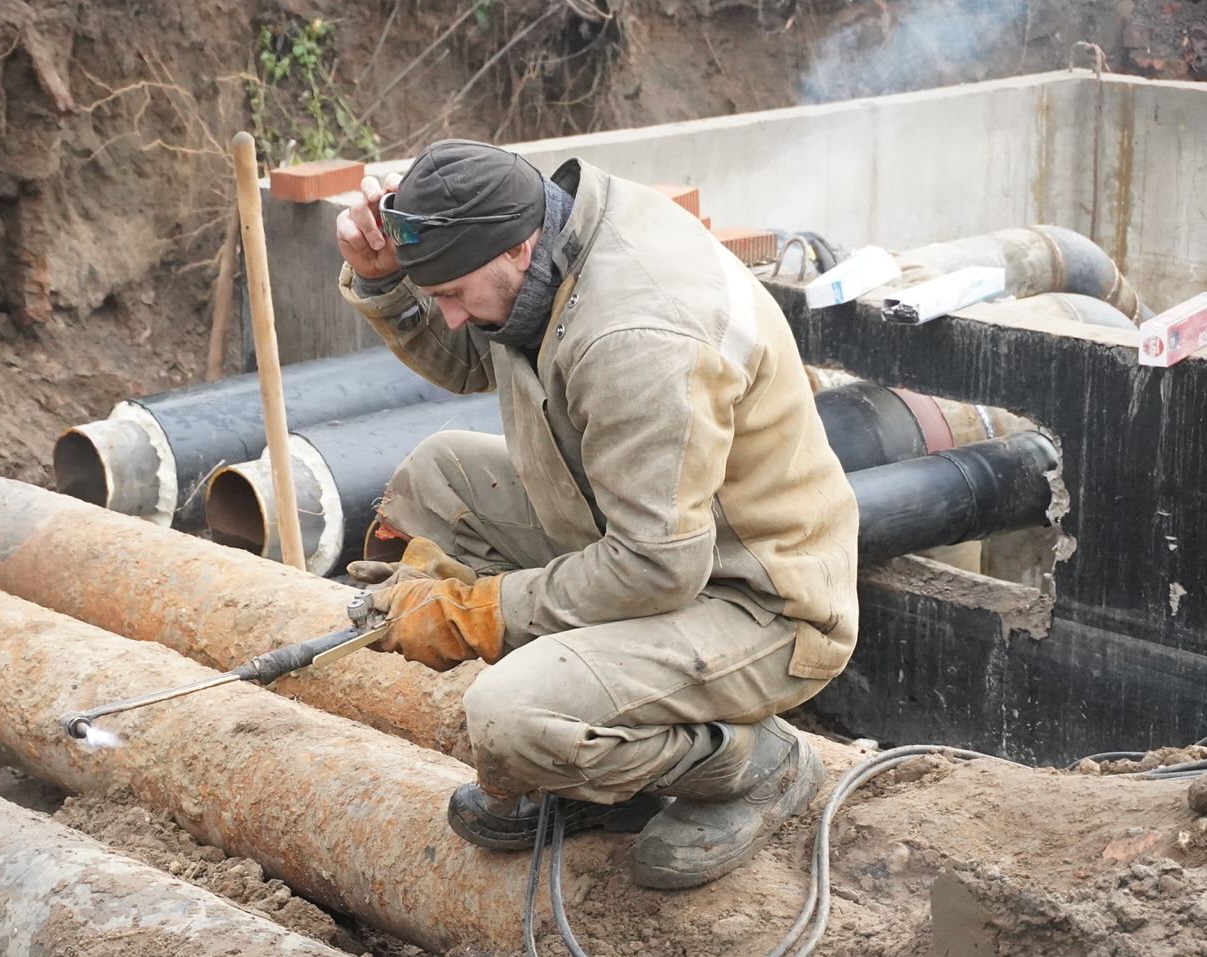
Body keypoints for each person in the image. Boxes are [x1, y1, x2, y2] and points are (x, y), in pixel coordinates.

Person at [335, 140, 857, 888]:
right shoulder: (549, 235)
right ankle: (602, 757)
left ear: (517, 247)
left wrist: (479, 610)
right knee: (439, 480)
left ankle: (753, 764)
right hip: (651, 535)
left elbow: (657, 566)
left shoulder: (637, 336)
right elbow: (470, 358)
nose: (448, 319)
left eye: (451, 293)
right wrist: (390, 286)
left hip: (759, 598)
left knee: (508, 723)